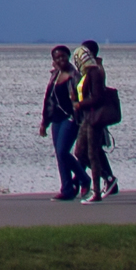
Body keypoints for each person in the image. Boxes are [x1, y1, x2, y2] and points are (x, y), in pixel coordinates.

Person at [70, 42, 119, 202]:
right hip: (86, 117)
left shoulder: (95, 72)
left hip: (94, 118)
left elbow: (97, 98)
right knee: (80, 152)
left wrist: (80, 104)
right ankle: (106, 178)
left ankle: (97, 190)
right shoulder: (86, 73)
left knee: (92, 153)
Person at [41, 45, 81, 199]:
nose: (60, 59)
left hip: (71, 118)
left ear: (68, 57)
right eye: (57, 57)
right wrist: (45, 122)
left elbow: (81, 96)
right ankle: (67, 189)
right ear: (54, 60)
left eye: (63, 56)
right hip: (56, 119)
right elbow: (48, 100)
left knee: (63, 151)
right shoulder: (54, 75)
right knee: (59, 154)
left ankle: (83, 179)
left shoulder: (74, 76)